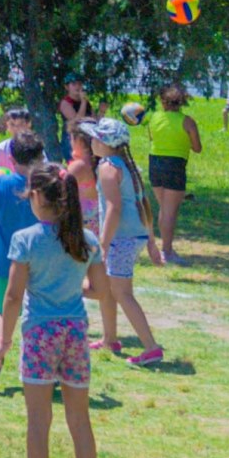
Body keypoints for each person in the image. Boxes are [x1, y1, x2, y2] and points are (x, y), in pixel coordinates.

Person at [0, 162, 111, 458]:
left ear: (36, 197)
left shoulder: (26, 239)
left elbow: (13, 296)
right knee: (80, 420)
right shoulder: (87, 240)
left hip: (40, 335)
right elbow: (99, 291)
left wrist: (3, 340)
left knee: (38, 421)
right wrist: (70, 285)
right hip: (76, 334)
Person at [81, 118, 165, 367]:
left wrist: (104, 245)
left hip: (121, 238)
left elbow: (113, 208)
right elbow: (142, 202)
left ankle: (151, 347)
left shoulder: (107, 167)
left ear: (106, 143)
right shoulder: (125, 165)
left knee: (122, 293)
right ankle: (110, 339)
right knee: (107, 287)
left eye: (95, 138)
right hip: (133, 235)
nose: (91, 142)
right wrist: (150, 242)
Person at [0, 132, 46, 391]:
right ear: (40, 157)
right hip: (40, 265)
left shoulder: (1, 184)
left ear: (12, 157)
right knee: (37, 314)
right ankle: (44, 365)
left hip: (6, 262)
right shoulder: (46, 184)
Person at [145, 82, 202, 264]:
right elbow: (197, 148)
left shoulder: (153, 118)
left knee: (164, 208)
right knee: (170, 211)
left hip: (155, 162)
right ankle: (167, 251)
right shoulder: (187, 121)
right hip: (175, 165)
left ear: (163, 102)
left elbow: (152, 137)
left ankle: (163, 247)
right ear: (182, 102)